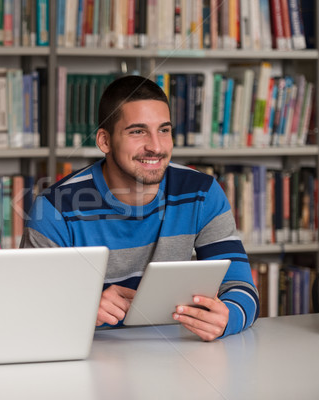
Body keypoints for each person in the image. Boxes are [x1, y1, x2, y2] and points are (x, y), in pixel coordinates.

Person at [21, 75, 258, 341]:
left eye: (164, 130)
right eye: (138, 131)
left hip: (177, 355)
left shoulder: (202, 193)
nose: (155, 146)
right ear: (105, 141)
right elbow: (26, 313)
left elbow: (240, 287)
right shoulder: (55, 208)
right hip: (92, 361)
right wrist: (80, 309)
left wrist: (228, 317)